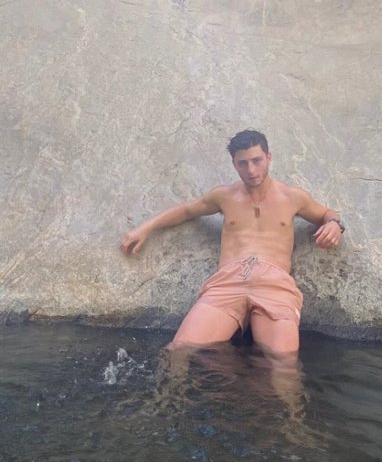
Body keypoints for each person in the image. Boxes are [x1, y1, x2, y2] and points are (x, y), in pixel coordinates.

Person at [120, 129, 344, 355]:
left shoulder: (293, 197)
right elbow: (187, 210)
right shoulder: (224, 196)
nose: (251, 170)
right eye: (243, 163)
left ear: (269, 157)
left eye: (257, 161)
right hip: (228, 282)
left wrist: (334, 224)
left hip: (274, 283)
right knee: (178, 350)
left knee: (283, 362)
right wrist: (146, 228)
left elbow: (326, 214)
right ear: (234, 164)